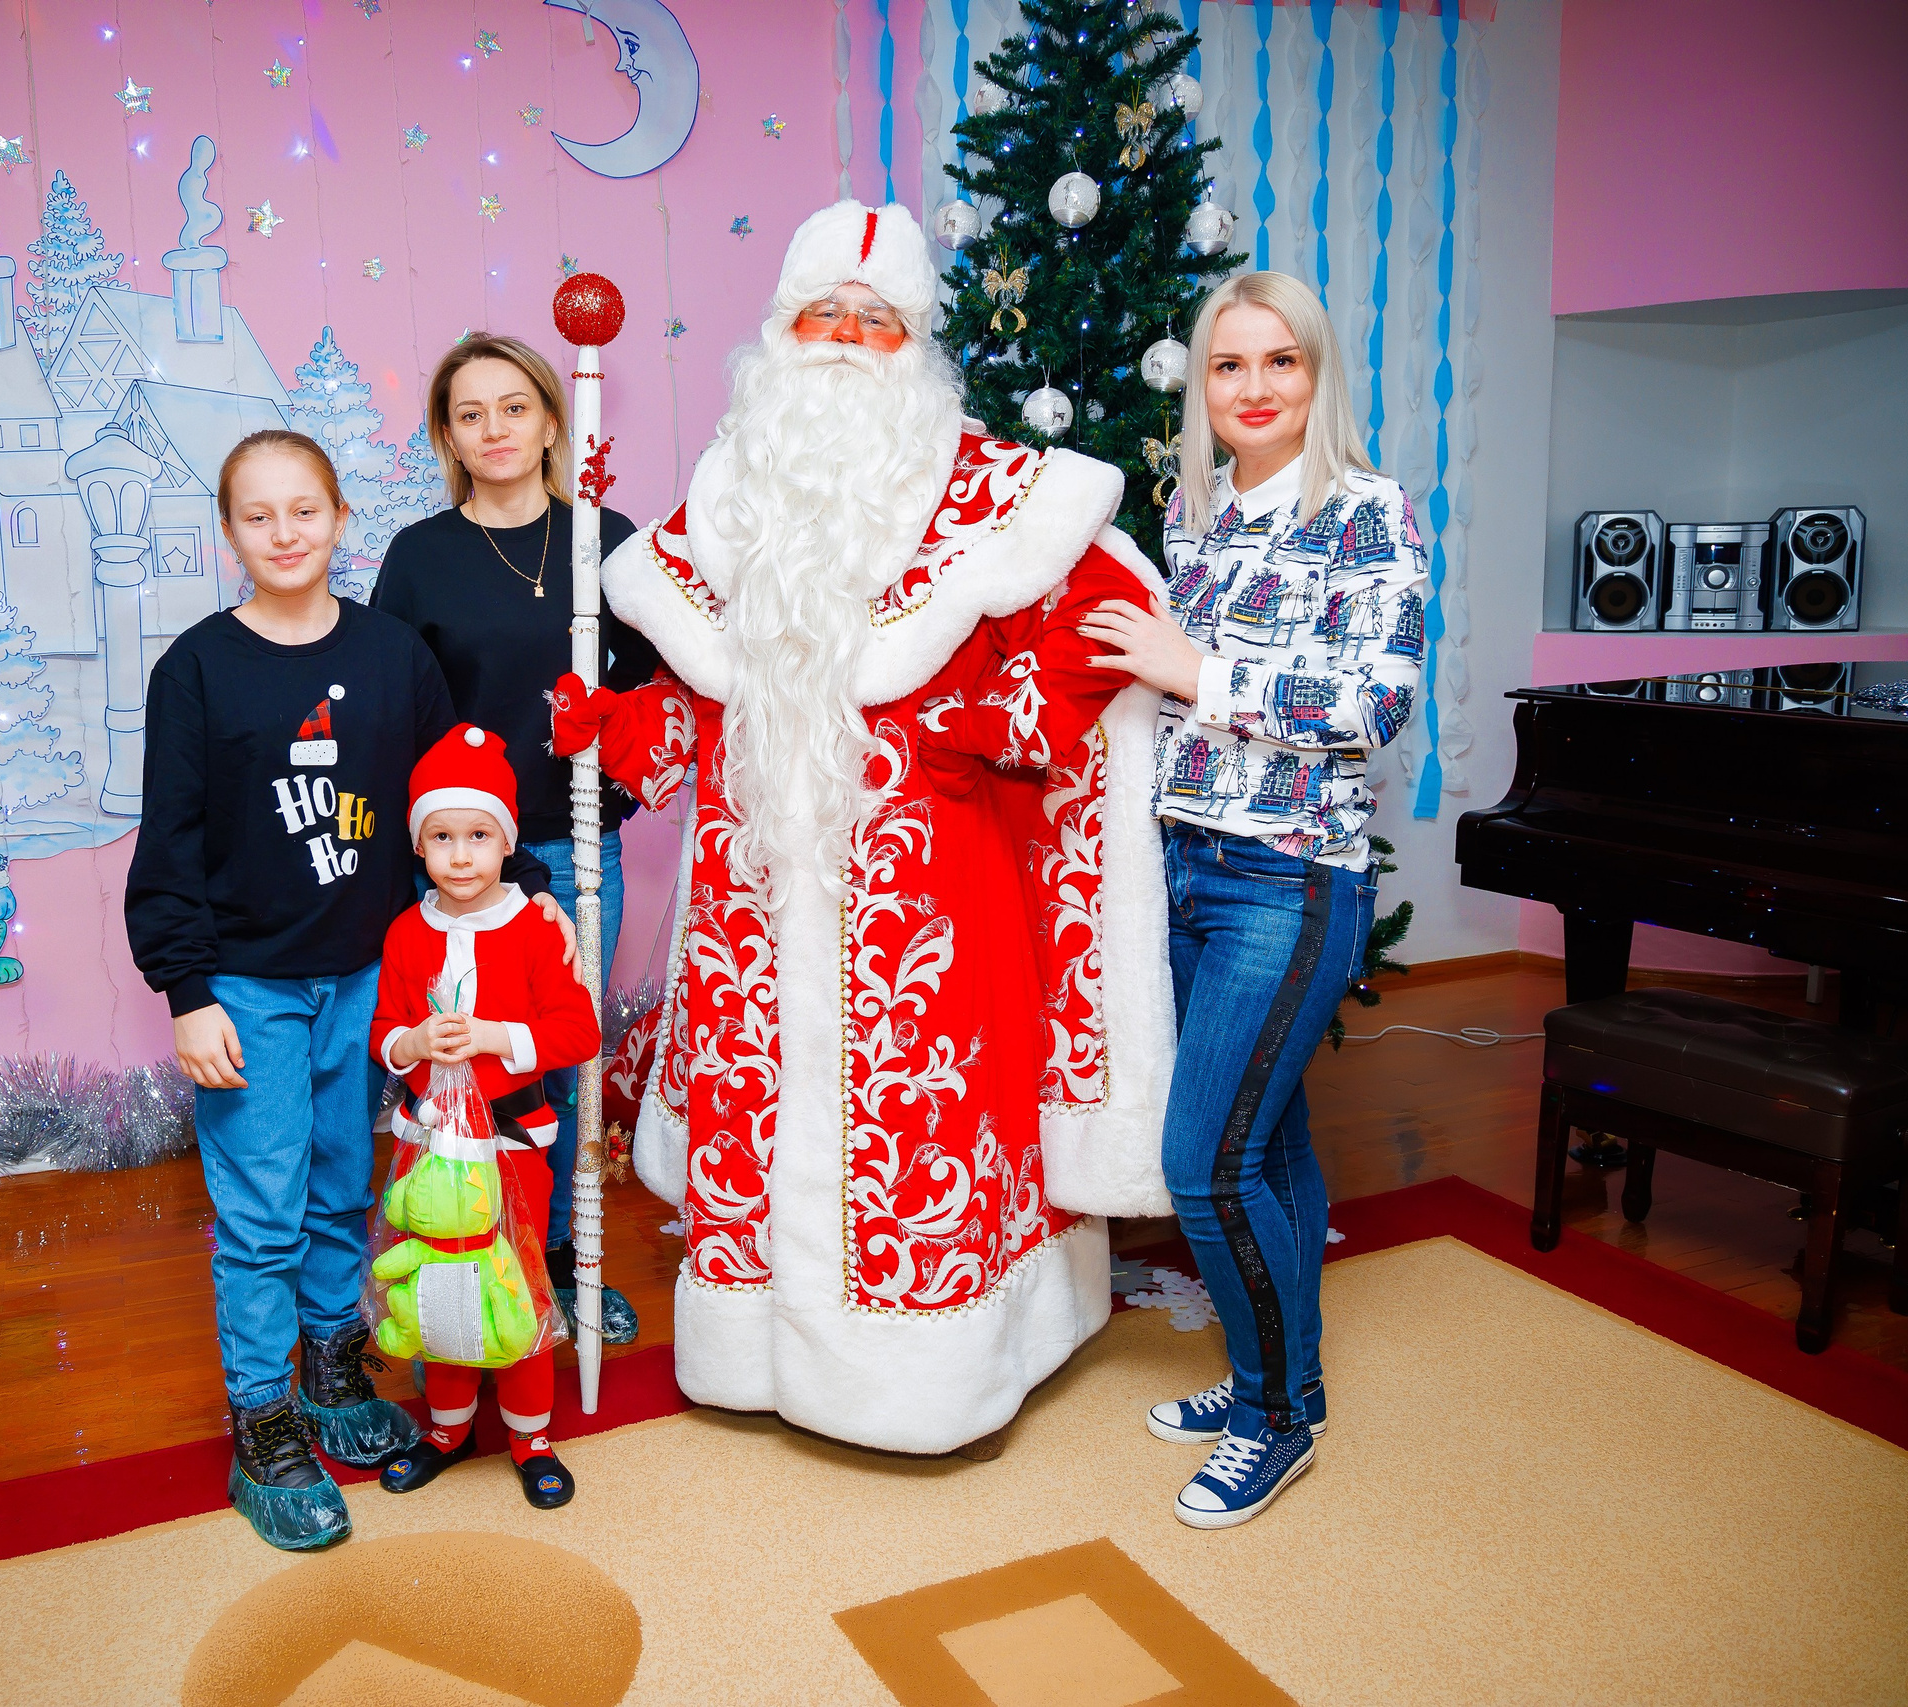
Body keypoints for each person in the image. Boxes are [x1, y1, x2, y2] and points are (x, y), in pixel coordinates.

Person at [548, 201, 1179, 1457]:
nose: (843, 339)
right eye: (821, 315)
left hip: (925, 896)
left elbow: (1108, 607)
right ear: (782, 334)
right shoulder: (734, 497)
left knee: (923, 1127)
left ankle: (927, 1381)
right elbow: (693, 688)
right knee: (767, 1119)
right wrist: (617, 732)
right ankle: (754, 1360)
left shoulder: (999, 493)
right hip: (754, 898)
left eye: (873, 319)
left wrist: (990, 724)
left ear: (918, 343)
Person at [124, 429, 574, 1552]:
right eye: (258, 515)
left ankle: (333, 1368)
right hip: (248, 981)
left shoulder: (390, 656)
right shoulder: (194, 668)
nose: (284, 534)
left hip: (371, 975)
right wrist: (187, 991)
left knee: (342, 1183)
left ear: (337, 520)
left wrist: (524, 883)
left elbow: (450, 788)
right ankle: (262, 1416)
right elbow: (169, 842)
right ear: (229, 532)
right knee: (262, 1208)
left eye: (304, 512)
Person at [1080, 270, 1427, 1527]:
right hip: (1183, 872)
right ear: (1203, 387)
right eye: (1230, 367)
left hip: (1289, 879)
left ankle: (1277, 1421)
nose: (1255, 388)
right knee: (1267, 1141)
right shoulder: (1194, 512)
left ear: (1315, 374)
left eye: (1280, 362)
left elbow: (1373, 712)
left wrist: (1198, 669)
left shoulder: (1369, 512)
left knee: (1204, 1166)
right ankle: (1276, 1377)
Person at [375, 334, 670, 1344]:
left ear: (553, 420)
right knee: (482, 1072)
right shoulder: (420, 557)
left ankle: (563, 1259)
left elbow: (655, 691)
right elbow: (398, 715)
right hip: (468, 868)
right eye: (470, 413)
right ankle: (481, 1247)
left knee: (565, 1056)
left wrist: (611, 721)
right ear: (447, 435)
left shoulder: (607, 539)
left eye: (513, 408)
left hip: (584, 846)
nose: (494, 429)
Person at [367, 725, 602, 1510]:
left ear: (506, 841)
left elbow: (580, 1031)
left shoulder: (536, 926)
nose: (460, 855)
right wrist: (411, 1039)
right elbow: (382, 1032)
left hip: (511, 1148)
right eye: (441, 837)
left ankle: (531, 1435)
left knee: (514, 1287)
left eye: (478, 835)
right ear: (420, 845)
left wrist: (499, 1037)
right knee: (440, 1287)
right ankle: (448, 1427)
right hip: (431, 1151)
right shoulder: (406, 931)